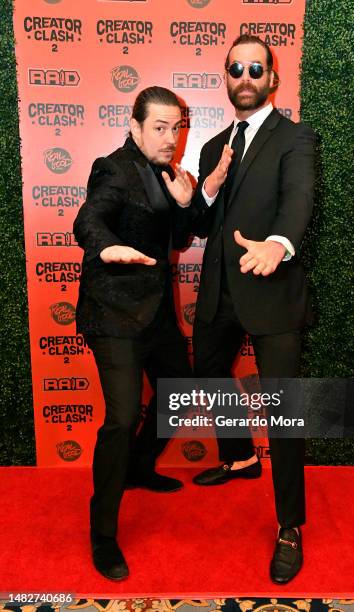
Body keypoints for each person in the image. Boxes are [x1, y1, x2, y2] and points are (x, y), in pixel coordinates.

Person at [190, 34, 316, 584]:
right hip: (218, 294)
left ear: (273, 78)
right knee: (207, 372)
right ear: (227, 76)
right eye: (236, 68)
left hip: (271, 290)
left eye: (255, 68)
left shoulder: (296, 137)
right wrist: (209, 191)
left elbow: (298, 199)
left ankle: (290, 525)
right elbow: (201, 221)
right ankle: (240, 457)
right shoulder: (213, 142)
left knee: (285, 413)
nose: (245, 76)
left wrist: (279, 244)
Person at [73, 86, 193, 581]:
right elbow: (89, 218)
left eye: (176, 128)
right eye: (159, 128)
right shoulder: (113, 168)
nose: (170, 139)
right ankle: (103, 533)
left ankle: (140, 468)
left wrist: (183, 205)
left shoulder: (168, 175)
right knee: (121, 418)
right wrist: (105, 249)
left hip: (158, 313)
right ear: (135, 125)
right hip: (114, 312)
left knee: (180, 394)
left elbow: (181, 239)